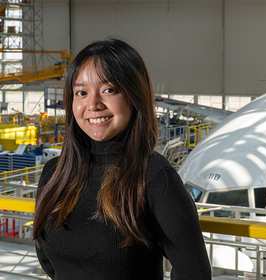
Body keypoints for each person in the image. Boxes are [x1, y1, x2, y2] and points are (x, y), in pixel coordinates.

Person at [33, 39, 212, 280]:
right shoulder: (55, 173)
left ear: (133, 96)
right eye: (81, 92)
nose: (93, 104)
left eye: (108, 90)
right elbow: (49, 261)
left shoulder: (153, 176)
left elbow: (194, 272)